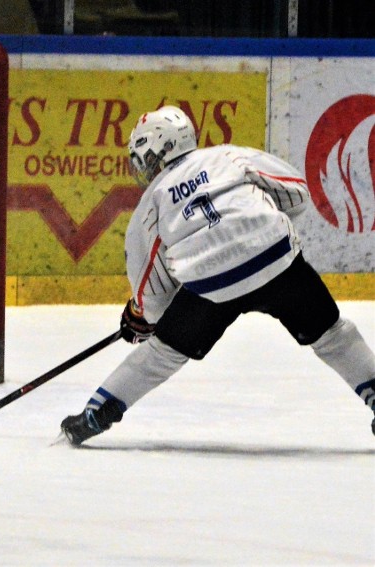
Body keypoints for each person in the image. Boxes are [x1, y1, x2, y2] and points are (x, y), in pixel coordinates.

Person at [60, 105, 375, 445]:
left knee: (162, 354)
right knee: (334, 335)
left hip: (210, 284)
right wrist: (257, 227)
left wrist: (146, 318)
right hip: (275, 257)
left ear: (158, 151)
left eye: (143, 158)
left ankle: (95, 413)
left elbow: (152, 286)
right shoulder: (229, 156)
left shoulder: (151, 203)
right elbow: (296, 190)